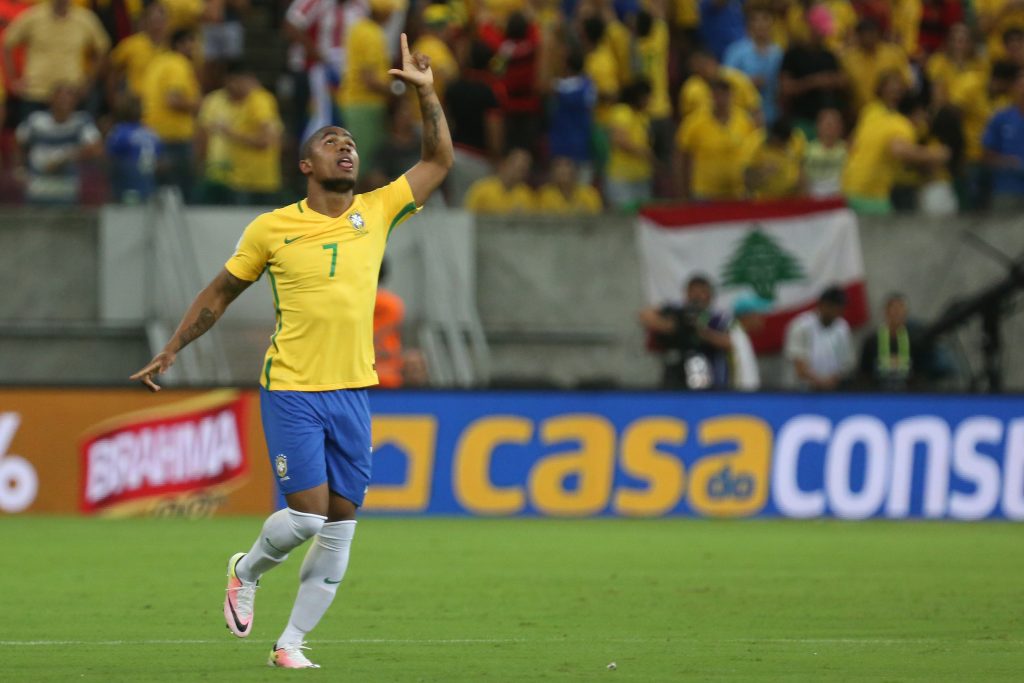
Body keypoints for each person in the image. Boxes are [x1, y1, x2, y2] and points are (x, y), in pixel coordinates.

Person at [129, 33, 453, 669]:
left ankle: (292, 643)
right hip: (293, 388)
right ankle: (245, 571)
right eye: (332, 141)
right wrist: (172, 349)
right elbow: (221, 291)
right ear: (306, 166)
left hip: (353, 390)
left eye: (351, 141)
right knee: (305, 518)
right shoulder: (273, 227)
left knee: (341, 526)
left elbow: (439, 162)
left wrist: (427, 93)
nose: (346, 145)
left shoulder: (378, 210)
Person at [842, 70, 950, 215]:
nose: (894, 91)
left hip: (850, 186)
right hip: (873, 195)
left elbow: (852, 143)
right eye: (890, 87)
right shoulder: (898, 123)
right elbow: (900, 151)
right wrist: (936, 155)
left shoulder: (869, 111)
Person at [2, 0, 110, 121]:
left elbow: (102, 48)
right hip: (36, 92)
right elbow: (7, 42)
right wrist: (12, 81)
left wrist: (89, 82)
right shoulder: (33, 15)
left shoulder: (84, 18)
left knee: (72, 137)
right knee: (30, 136)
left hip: (70, 94)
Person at [639, 274, 733, 390]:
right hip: (677, 373)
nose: (698, 297)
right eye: (694, 292)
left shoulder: (719, 318)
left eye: (702, 292)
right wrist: (672, 326)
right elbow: (645, 316)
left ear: (710, 295)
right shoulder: (677, 312)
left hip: (711, 374)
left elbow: (732, 343)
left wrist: (703, 333)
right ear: (687, 293)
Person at [14, 82, 101, 204]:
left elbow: (96, 148)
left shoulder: (81, 122)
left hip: (66, 186)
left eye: (69, 97)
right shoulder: (35, 120)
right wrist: (19, 169)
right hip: (37, 184)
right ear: (51, 99)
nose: (64, 101)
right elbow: (19, 141)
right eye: (61, 97)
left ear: (75, 101)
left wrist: (64, 158)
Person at [141, 28, 201, 200]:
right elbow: (173, 100)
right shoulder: (178, 64)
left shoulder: (158, 62)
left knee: (159, 194)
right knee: (182, 194)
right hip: (174, 138)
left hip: (152, 134)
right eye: (192, 43)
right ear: (180, 44)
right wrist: (199, 104)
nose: (195, 48)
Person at [675, 78, 757, 200]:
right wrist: (683, 192)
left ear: (731, 96)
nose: (721, 100)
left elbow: (753, 154)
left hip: (736, 193)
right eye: (717, 95)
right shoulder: (694, 122)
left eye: (725, 95)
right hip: (705, 193)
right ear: (711, 96)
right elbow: (682, 157)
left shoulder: (744, 121)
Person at [219, 63, 284, 205]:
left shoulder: (259, 101)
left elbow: (265, 141)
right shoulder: (247, 101)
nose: (230, 87)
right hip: (246, 178)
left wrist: (231, 133)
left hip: (256, 182)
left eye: (232, 82)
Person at [779, 6, 847, 138]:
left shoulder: (828, 55)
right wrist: (814, 82)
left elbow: (842, 81)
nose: (823, 36)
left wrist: (835, 80)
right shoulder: (793, 55)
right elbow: (786, 88)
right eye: (820, 31)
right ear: (810, 28)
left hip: (826, 123)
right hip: (801, 119)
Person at [783, 285, 855, 391]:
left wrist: (833, 380)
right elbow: (799, 368)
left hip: (832, 390)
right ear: (823, 305)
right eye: (835, 308)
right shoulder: (800, 326)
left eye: (841, 308)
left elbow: (845, 363)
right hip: (802, 391)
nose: (839, 313)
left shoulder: (842, 327)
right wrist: (821, 382)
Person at [724, 3, 783, 125]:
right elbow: (725, 83)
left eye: (765, 19)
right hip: (743, 118)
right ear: (749, 24)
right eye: (756, 20)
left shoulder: (778, 53)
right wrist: (747, 83)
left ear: (772, 23)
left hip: (772, 115)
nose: (761, 24)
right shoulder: (735, 51)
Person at [858, 293, 928, 391]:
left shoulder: (914, 341)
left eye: (901, 310)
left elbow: (921, 373)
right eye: (894, 310)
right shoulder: (871, 341)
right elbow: (863, 373)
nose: (897, 314)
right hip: (877, 395)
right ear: (886, 312)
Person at [605, 80, 653, 211]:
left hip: (641, 175)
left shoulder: (643, 116)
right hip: (622, 177)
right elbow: (619, 139)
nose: (649, 101)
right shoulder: (621, 111)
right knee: (623, 216)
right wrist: (644, 153)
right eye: (647, 97)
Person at [107, 2, 168, 101]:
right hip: (136, 103)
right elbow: (112, 68)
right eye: (154, 19)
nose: (158, 24)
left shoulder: (170, 48)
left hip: (161, 103)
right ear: (146, 20)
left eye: (161, 19)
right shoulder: (132, 44)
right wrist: (114, 99)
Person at [106, 95, 160, 203]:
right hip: (148, 184)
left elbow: (110, 158)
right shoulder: (151, 133)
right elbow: (159, 160)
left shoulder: (120, 133)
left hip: (125, 185)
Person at [983, 68, 1024, 210]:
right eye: (1020, 84)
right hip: (1007, 191)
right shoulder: (1001, 118)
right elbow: (987, 155)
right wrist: (1008, 163)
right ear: (1014, 88)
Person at [463, 147, 536, 213]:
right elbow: (467, 215)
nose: (518, 173)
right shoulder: (482, 188)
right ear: (504, 164)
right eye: (516, 167)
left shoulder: (527, 195)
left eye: (523, 169)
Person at [730, 294, 771, 391]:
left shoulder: (742, 335)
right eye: (759, 315)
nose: (762, 320)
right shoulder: (734, 333)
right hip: (739, 399)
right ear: (747, 316)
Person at [803, 107, 847, 197]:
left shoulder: (847, 149)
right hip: (813, 195)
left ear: (840, 127)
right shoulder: (808, 150)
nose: (830, 128)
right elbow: (803, 176)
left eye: (833, 124)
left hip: (839, 196)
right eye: (827, 124)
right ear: (818, 126)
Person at [537, 156, 602, 213]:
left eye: (567, 165)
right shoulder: (544, 194)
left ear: (576, 171)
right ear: (552, 173)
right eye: (558, 165)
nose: (563, 170)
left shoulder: (589, 193)